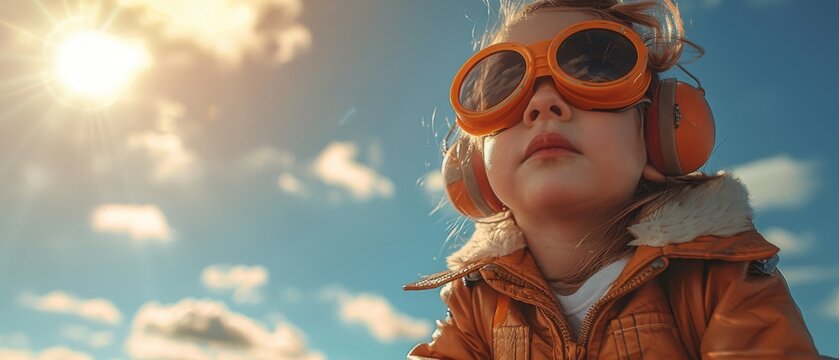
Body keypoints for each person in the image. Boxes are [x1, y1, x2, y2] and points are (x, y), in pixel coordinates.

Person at [403, 0, 821, 358]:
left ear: (657, 132)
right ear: (475, 164)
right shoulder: (474, 306)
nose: (543, 103)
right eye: (502, 86)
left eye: (594, 71)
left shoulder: (718, 280)